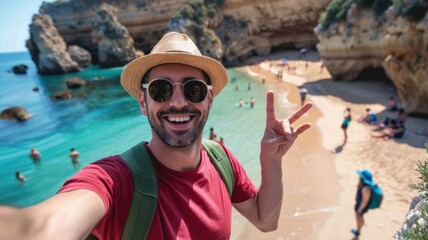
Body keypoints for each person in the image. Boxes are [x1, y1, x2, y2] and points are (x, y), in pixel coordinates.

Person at [0, 32, 313, 239]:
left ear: (209, 99)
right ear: (142, 101)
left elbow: (266, 221)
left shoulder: (222, 161)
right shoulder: (114, 180)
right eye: (161, 90)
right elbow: (40, 227)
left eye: (193, 89)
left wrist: (271, 161)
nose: (178, 102)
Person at [352, 170, 375, 238]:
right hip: (359, 205)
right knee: (358, 217)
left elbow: (365, 201)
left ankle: (358, 231)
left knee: (358, 217)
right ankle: (360, 226)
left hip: (361, 207)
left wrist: (360, 209)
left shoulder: (366, 188)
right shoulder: (362, 185)